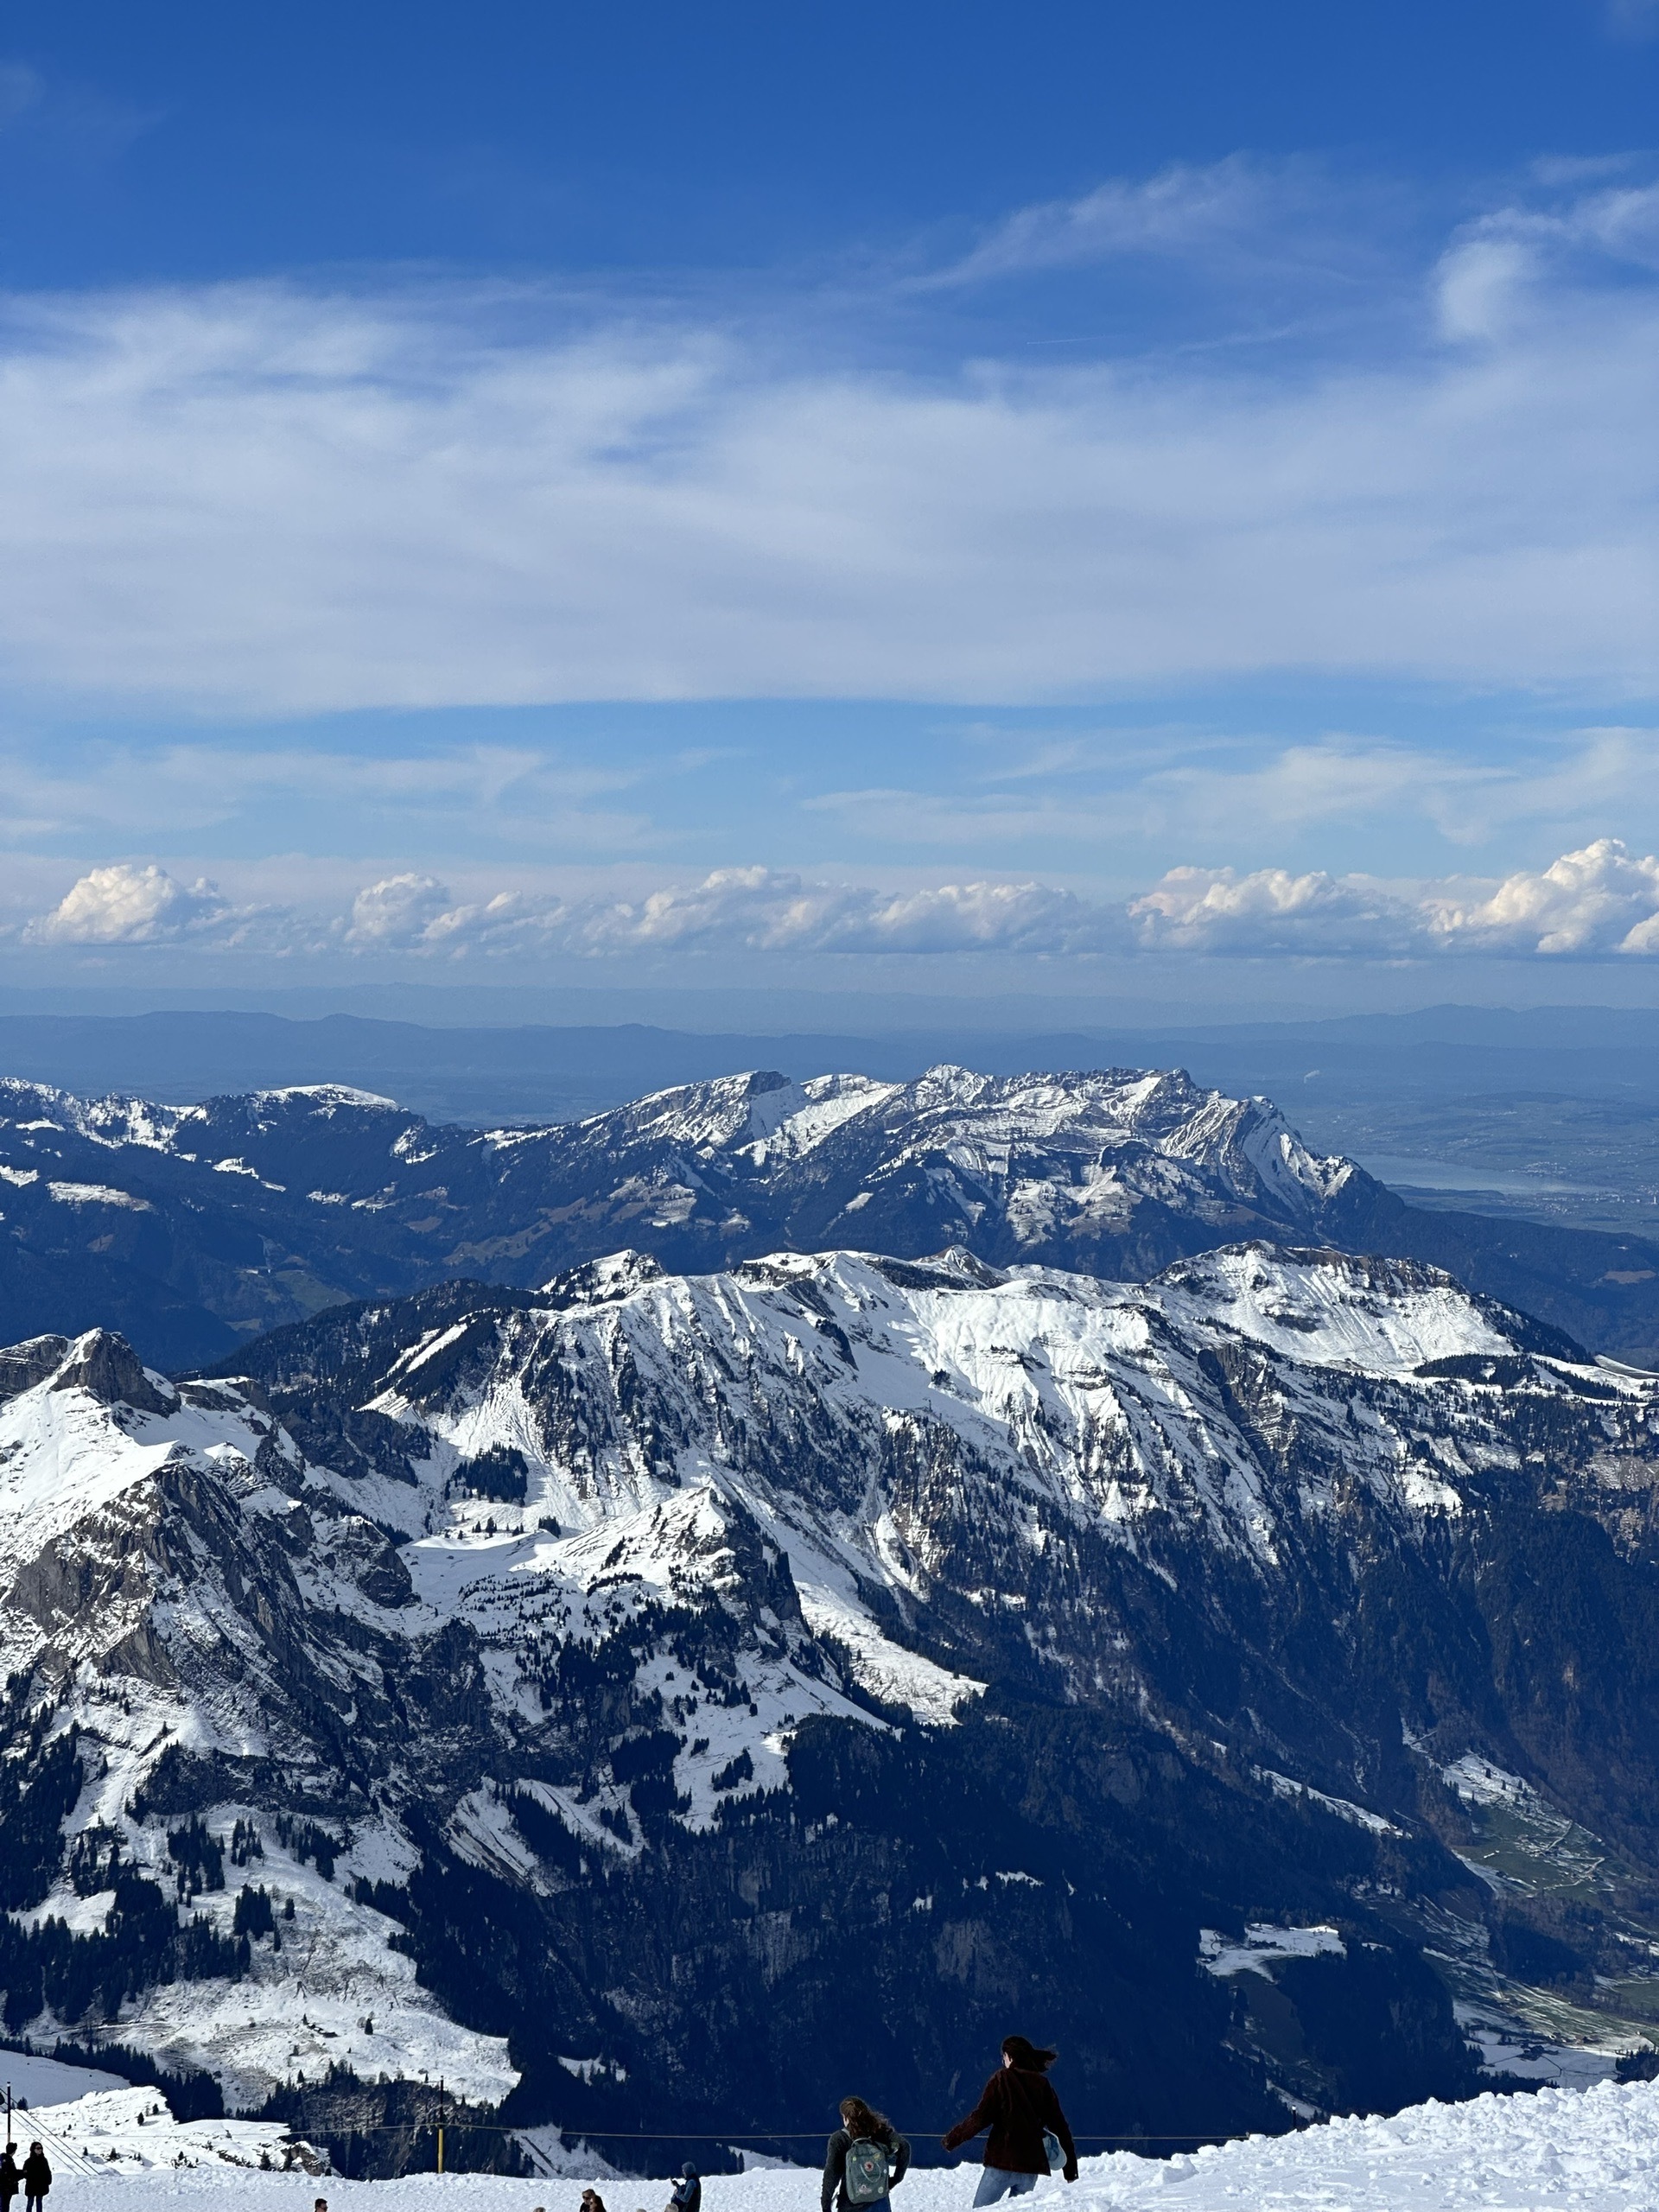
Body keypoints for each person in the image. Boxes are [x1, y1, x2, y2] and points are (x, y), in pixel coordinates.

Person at [941, 2036, 1078, 2204]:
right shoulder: (1042, 2084)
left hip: (1002, 2162)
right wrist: (1070, 2169)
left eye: (1003, 2057)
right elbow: (1060, 2127)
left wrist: (952, 2139)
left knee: (982, 2209)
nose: (1003, 2061)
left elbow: (980, 2118)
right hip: (1031, 2167)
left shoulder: (1002, 2078)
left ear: (1010, 2057)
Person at [823, 2096, 911, 2212]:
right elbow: (904, 2147)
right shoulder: (879, 2131)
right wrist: (896, 2179)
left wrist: (826, 2203)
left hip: (850, 2204)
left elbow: (831, 2174)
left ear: (846, 2118)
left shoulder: (840, 2139)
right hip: (879, 2200)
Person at [20, 2142, 49, 2212]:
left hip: (41, 2186)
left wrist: (47, 2181)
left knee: (39, 2203)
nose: (40, 2150)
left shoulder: (44, 2160)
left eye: (41, 2148)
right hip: (31, 2186)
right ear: (33, 2149)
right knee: (30, 2203)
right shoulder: (28, 2161)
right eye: (38, 2148)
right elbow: (25, 2173)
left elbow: (47, 2172)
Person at [0, 2144, 18, 2209]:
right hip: (6, 2187)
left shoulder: (2, 2159)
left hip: (3, 2186)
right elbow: (12, 2173)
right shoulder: (9, 2161)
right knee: (5, 2206)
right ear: (14, 2151)